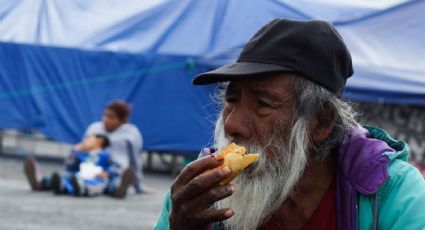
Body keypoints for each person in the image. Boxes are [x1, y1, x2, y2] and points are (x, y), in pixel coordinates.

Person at [154, 19, 425, 229]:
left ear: (321, 122)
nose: (232, 124)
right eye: (232, 99)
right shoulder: (197, 193)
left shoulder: (392, 195)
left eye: (262, 104)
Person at [24, 135, 134, 198]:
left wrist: (108, 172)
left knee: (108, 182)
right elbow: (69, 167)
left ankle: (119, 189)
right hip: (79, 175)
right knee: (64, 176)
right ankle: (40, 183)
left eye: (88, 139)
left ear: (100, 141)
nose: (84, 141)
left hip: (97, 176)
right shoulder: (82, 154)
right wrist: (74, 152)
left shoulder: (106, 154)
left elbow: (115, 166)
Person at [83, 100, 145, 194]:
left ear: (122, 121)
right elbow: (82, 149)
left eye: (111, 117)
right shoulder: (94, 128)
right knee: (80, 176)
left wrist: (138, 186)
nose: (106, 119)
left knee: (115, 181)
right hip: (95, 167)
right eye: (105, 115)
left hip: (116, 170)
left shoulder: (131, 133)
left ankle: (119, 188)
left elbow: (135, 159)